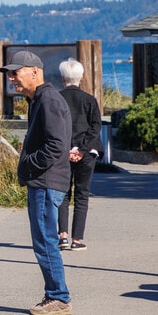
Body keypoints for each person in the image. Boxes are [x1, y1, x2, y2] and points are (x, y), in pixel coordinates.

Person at [0, 50, 73, 315]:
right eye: (10, 74)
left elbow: (56, 146)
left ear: (34, 71)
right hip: (44, 181)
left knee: (45, 242)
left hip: (45, 182)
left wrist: (27, 163)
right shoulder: (39, 100)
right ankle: (55, 294)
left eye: (15, 73)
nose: (11, 79)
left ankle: (58, 297)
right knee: (44, 241)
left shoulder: (48, 100)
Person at [57, 58, 101, 252]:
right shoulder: (89, 100)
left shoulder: (57, 99)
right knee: (82, 195)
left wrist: (67, 149)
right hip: (86, 154)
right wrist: (81, 150)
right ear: (81, 77)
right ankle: (77, 239)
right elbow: (95, 127)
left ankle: (62, 236)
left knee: (63, 194)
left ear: (62, 78)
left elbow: (54, 128)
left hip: (62, 154)